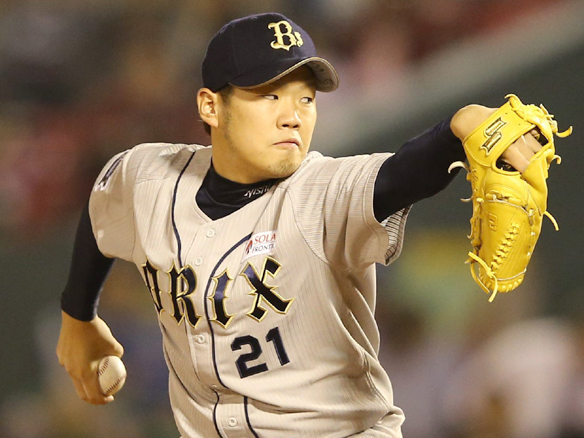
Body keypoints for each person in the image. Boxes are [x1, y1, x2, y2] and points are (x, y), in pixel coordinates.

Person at [56, 12, 542, 438]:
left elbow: (398, 175)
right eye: (269, 95)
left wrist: (456, 131)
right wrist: (79, 317)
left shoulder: (321, 192)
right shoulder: (150, 178)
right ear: (211, 106)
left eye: (305, 99)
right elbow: (105, 202)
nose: (293, 117)